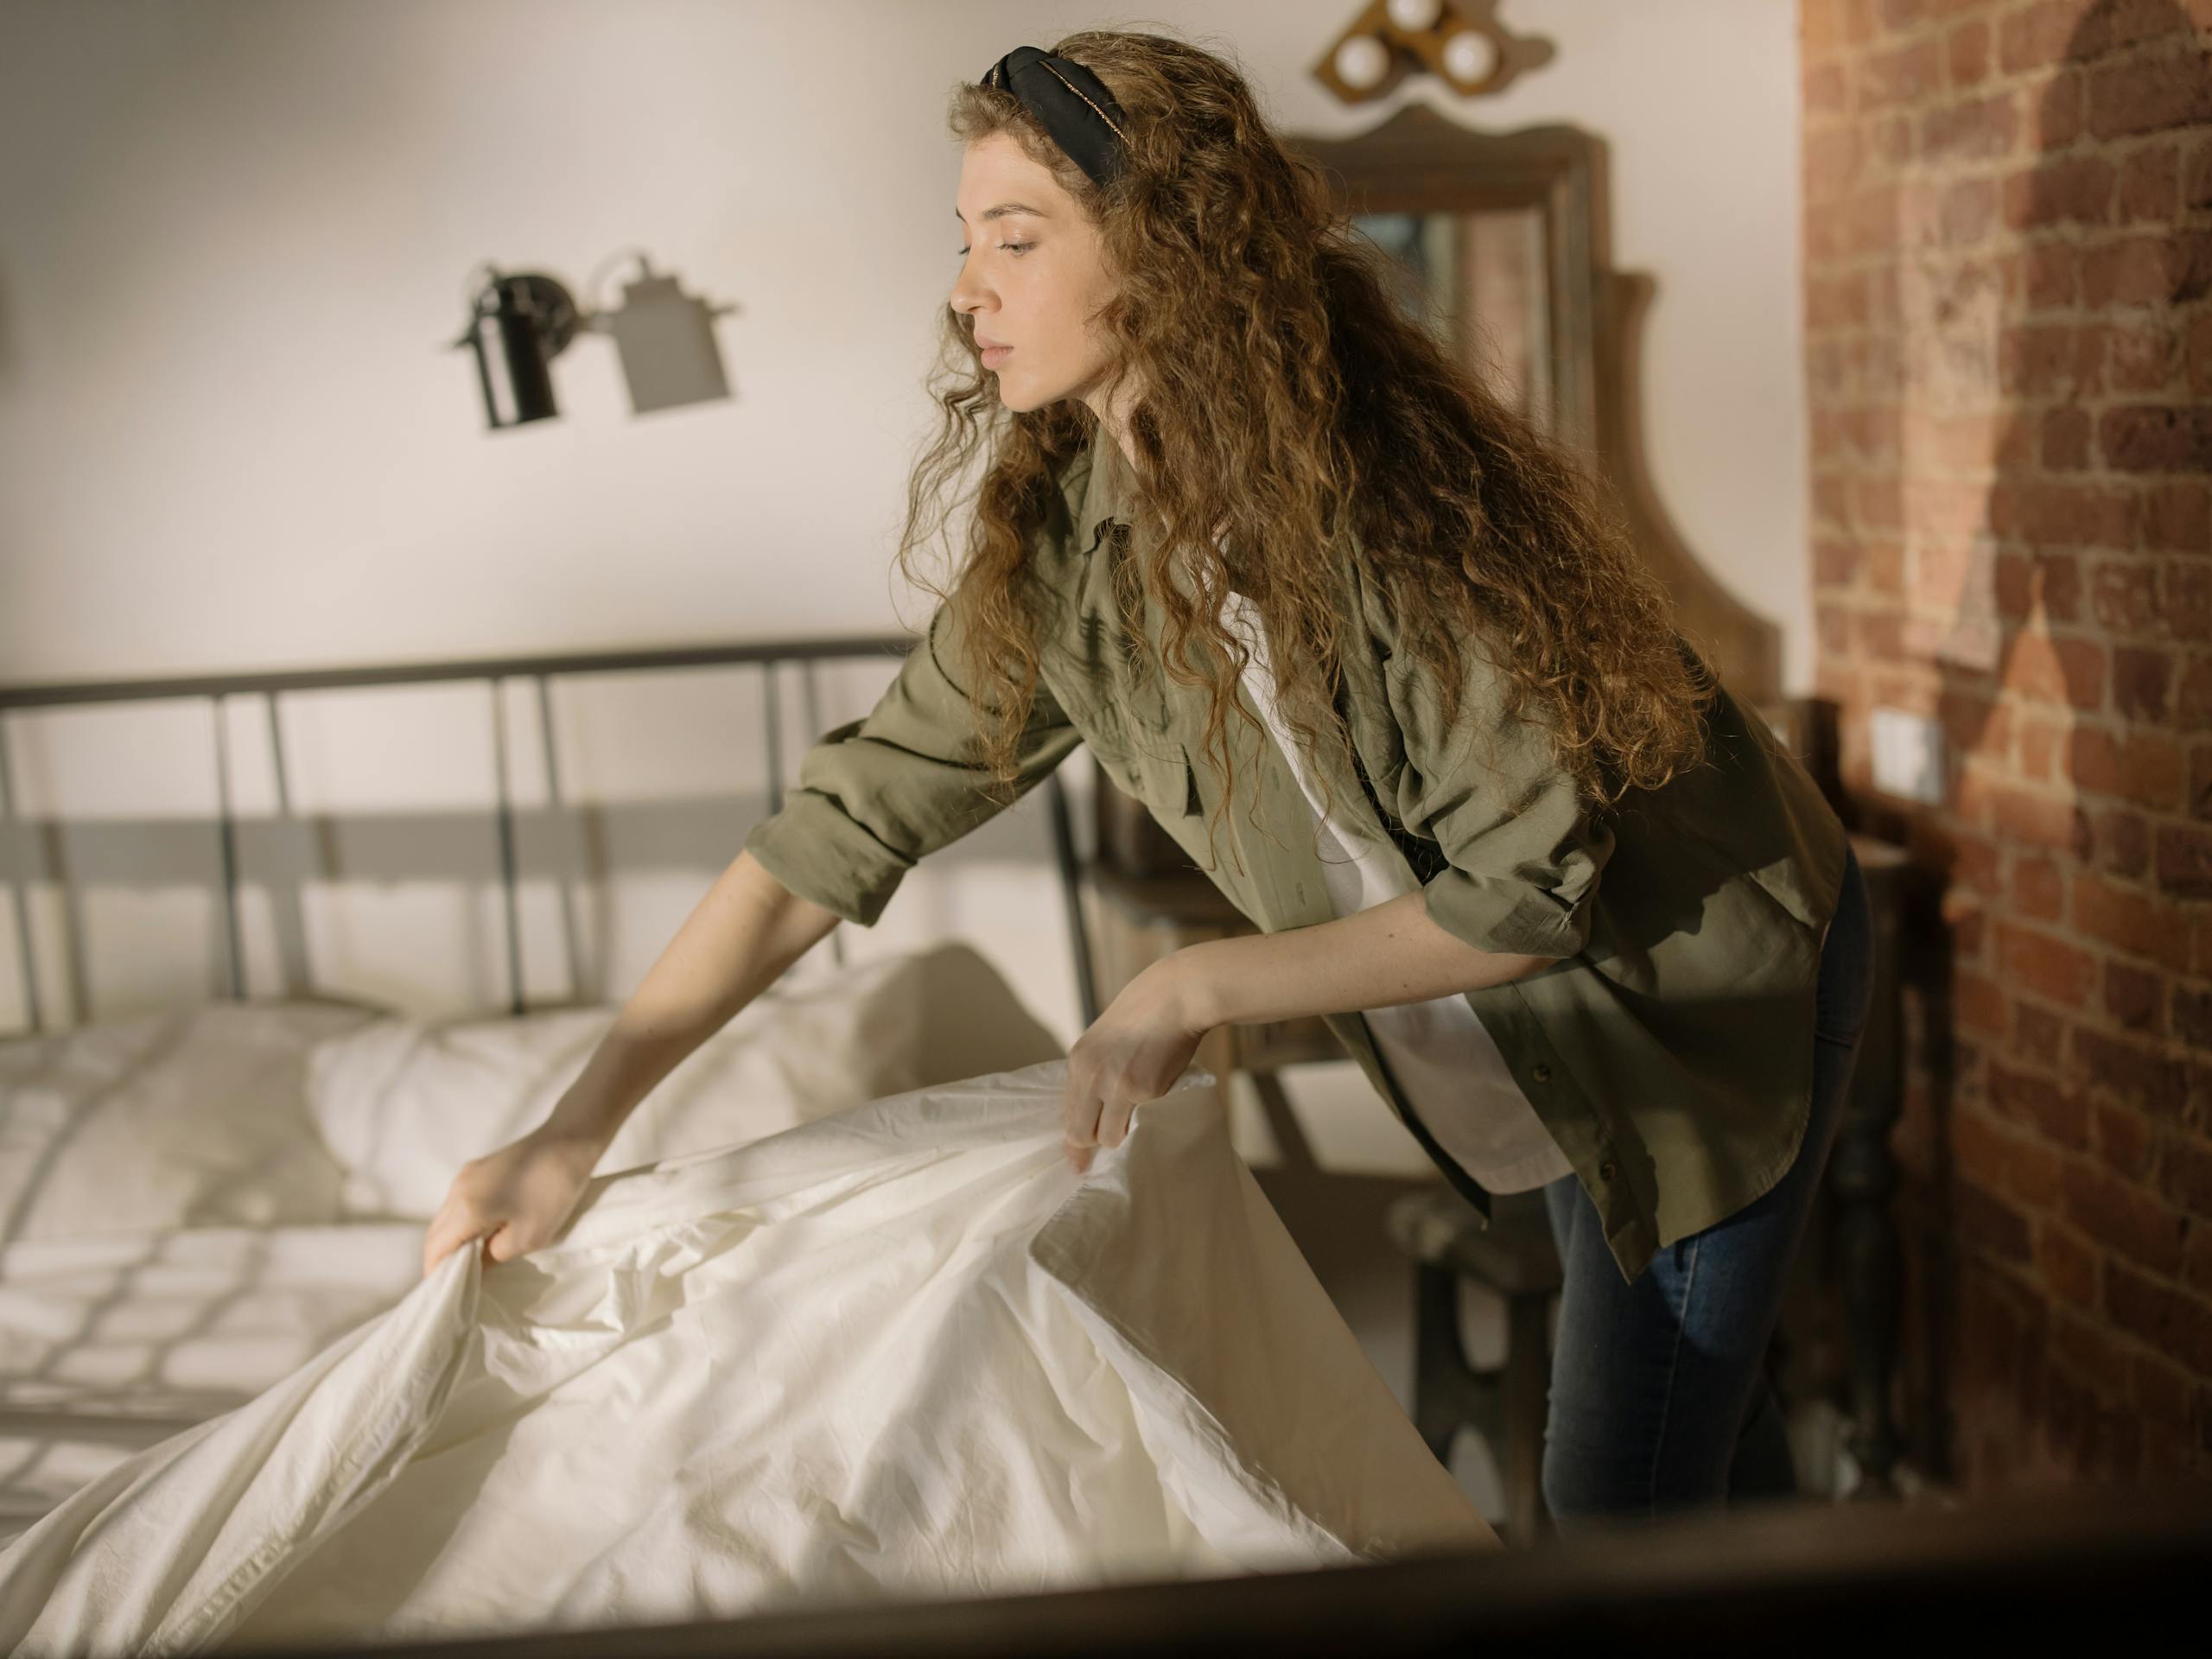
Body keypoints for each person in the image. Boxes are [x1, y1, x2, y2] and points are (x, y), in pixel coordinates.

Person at [423, 30, 1873, 1534]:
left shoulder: (1383, 504)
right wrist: (573, 1128)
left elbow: (1528, 894)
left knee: (1611, 1508)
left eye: (1018, 235)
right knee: (1708, 1455)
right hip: (1555, 1025)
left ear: (1169, 252)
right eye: (965, 237)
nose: (966, 286)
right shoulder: (1065, 550)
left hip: (1698, 1000)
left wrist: (1194, 984)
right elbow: (836, 829)